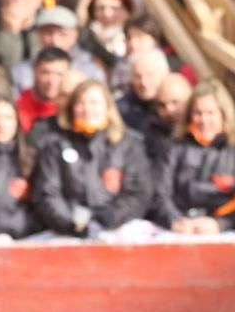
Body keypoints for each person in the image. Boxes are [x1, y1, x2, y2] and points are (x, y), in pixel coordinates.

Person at [31, 79, 155, 236]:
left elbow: (139, 192)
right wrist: (71, 224)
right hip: (68, 230)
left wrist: (109, 217)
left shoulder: (129, 144)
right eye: (81, 103)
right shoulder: (56, 145)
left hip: (118, 228)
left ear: (107, 107)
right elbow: (47, 192)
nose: (87, 109)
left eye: (94, 102)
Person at [152, 79, 235, 236]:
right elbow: (160, 193)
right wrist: (175, 221)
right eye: (198, 113)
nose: (204, 120)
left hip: (224, 229)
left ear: (223, 114)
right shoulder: (175, 147)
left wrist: (220, 224)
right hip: (180, 227)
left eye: (210, 113)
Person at [0, 95, 38, 237]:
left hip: (23, 239)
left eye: (8, 118)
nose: (1, 124)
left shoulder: (30, 160)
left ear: (17, 123)